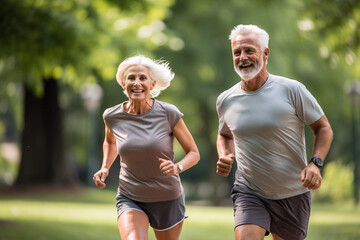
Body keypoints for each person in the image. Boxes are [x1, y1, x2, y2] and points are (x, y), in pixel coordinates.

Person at [216, 24, 333, 240]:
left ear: (265, 53)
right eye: (237, 52)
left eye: (249, 50)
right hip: (249, 190)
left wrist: (315, 163)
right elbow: (224, 134)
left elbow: (323, 128)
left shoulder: (291, 90)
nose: (242, 57)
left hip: (292, 191)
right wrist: (224, 154)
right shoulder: (226, 100)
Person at [93, 55, 200, 240]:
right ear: (123, 83)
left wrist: (177, 167)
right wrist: (105, 167)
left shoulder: (169, 113)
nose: (137, 83)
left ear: (152, 84)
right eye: (131, 78)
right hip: (130, 196)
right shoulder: (112, 116)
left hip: (167, 197)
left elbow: (194, 152)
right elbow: (110, 142)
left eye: (142, 78)